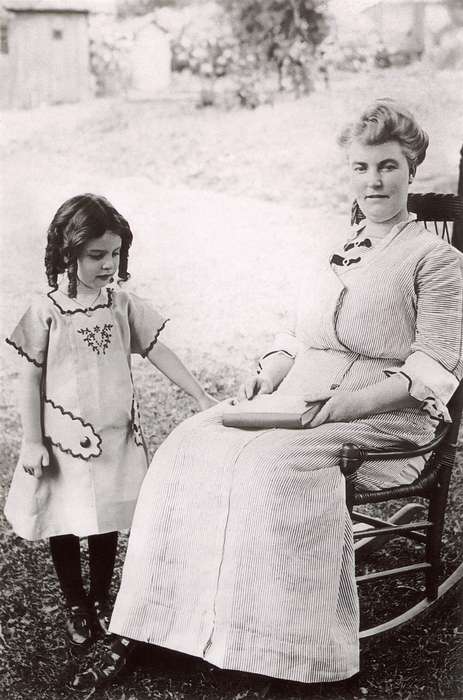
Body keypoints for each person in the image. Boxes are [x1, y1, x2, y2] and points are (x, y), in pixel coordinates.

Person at [73, 100, 463, 689]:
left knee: (270, 467)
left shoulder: (436, 260)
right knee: (187, 445)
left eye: (388, 166)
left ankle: (281, 648)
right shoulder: (341, 249)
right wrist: (269, 373)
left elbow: (435, 368)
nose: (374, 181)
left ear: (411, 170)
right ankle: (153, 624)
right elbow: (297, 335)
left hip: (384, 411)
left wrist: (347, 406)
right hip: (302, 396)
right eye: (361, 168)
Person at [4, 193, 216, 649]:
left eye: (115, 254)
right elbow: (29, 379)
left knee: (107, 519)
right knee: (63, 518)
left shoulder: (121, 305)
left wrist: (199, 394)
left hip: (114, 437)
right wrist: (32, 441)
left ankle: (102, 596)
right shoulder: (46, 312)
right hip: (63, 443)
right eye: (96, 255)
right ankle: (75, 601)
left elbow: (157, 349)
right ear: (68, 253)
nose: (107, 265)